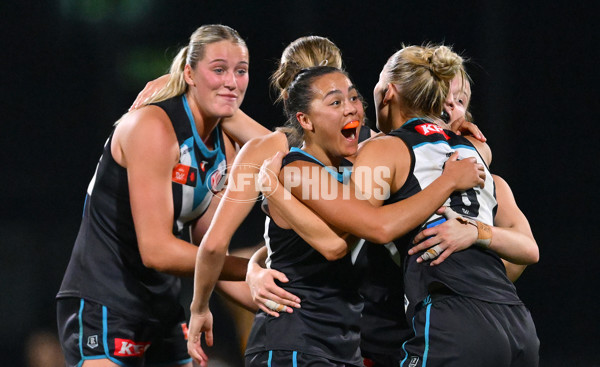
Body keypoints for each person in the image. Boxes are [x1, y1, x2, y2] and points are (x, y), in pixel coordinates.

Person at [184, 35, 486, 366]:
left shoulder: (274, 152)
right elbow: (333, 239)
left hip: (344, 337)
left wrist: (217, 295)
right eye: (336, 99)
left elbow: (215, 246)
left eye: (349, 97)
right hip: (368, 330)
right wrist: (456, 135)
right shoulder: (375, 148)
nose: (349, 106)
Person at [56, 24, 262, 367]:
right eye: (219, 69)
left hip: (162, 307)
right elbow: (156, 250)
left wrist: (280, 299)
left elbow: (211, 252)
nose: (231, 81)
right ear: (189, 74)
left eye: (241, 71)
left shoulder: (224, 148)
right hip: (103, 302)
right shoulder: (152, 127)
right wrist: (250, 270)